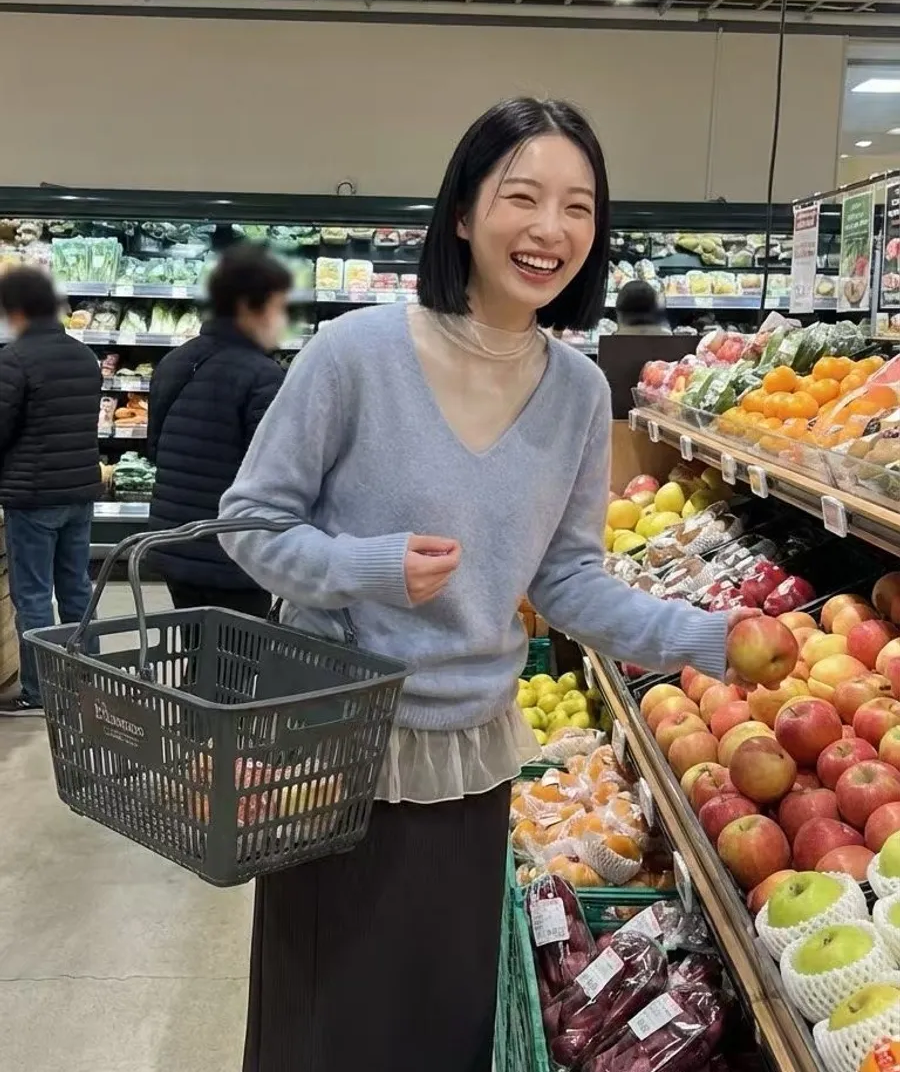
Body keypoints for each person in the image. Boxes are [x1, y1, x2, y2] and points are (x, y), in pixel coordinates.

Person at [218, 98, 748, 1072]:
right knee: (327, 1023)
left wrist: (712, 641)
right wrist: (370, 568)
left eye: (578, 207)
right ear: (463, 211)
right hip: (335, 754)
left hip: (470, 766)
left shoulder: (578, 394)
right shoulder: (354, 356)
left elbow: (570, 582)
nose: (551, 228)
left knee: (439, 1022)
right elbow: (251, 525)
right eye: (523, 196)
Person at [146, 244, 289, 618]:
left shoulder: (173, 361)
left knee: (196, 643)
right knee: (239, 649)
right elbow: (273, 473)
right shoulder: (263, 376)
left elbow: (154, 448)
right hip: (232, 551)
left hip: (174, 541)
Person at [0, 267, 103, 715]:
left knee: (34, 596)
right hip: (78, 492)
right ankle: (90, 678)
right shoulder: (84, 356)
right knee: (77, 588)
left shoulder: (14, 359)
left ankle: (41, 691)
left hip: (33, 496)